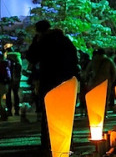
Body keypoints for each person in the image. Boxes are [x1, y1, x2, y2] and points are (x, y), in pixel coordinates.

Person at [25, 19, 79, 149]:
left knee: (48, 111)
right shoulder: (65, 40)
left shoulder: (42, 41)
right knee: (65, 110)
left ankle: (48, 140)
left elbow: (31, 57)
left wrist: (35, 41)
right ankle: (67, 140)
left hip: (48, 79)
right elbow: (74, 59)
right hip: (65, 80)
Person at [5, 47, 23, 116]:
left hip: (9, 80)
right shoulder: (18, 59)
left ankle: (9, 111)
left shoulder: (8, 59)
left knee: (8, 95)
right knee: (16, 94)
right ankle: (17, 111)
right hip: (16, 79)